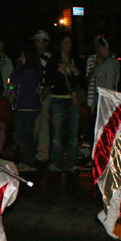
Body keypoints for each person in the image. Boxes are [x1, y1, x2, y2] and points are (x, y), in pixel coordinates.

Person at [46, 34, 82, 172]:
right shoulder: (54, 60)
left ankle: (73, 163)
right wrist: (59, 71)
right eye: (66, 42)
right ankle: (55, 162)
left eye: (70, 42)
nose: (69, 45)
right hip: (58, 99)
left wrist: (75, 71)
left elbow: (82, 79)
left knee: (73, 133)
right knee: (56, 132)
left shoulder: (75, 59)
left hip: (73, 98)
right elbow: (49, 80)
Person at [8, 42, 41, 171]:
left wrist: (17, 66)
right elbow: (12, 82)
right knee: (24, 135)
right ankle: (26, 160)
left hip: (28, 107)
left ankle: (28, 161)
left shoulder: (30, 71)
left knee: (25, 135)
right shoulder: (30, 70)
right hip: (24, 106)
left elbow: (14, 80)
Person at [31, 30, 53, 164]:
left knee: (43, 123)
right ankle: (36, 150)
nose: (36, 43)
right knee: (36, 123)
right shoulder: (35, 58)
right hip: (36, 93)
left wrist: (44, 93)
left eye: (39, 40)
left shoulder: (47, 58)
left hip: (43, 93)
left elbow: (48, 78)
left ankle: (42, 152)